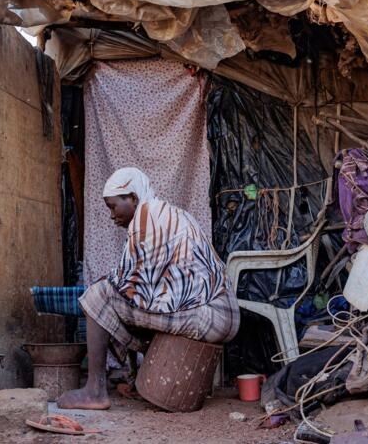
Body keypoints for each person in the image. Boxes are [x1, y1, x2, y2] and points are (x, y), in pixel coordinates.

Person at [57, 167, 240, 410]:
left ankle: (94, 390)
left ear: (133, 197)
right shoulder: (168, 213)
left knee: (96, 297)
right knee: (119, 298)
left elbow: (128, 289)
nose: (112, 215)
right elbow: (146, 286)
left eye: (113, 206)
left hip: (209, 316)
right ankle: (136, 378)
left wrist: (107, 286)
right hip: (224, 314)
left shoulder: (146, 219)